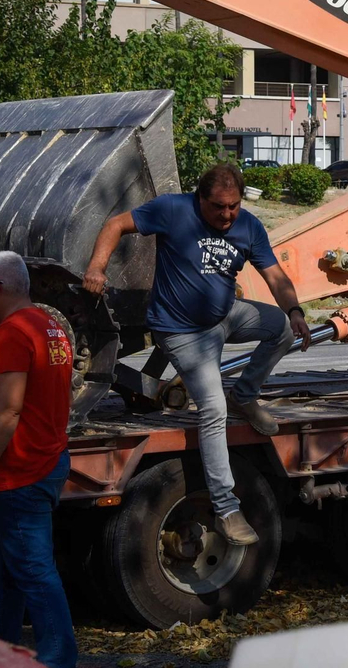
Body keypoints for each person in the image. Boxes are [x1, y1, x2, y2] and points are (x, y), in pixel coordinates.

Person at [83, 163, 309, 546]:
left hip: (225, 316)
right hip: (181, 332)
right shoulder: (172, 210)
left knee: (283, 329)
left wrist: (295, 311)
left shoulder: (248, 226)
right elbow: (115, 224)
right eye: (218, 207)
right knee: (212, 409)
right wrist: (96, 267)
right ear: (199, 198)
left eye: (233, 206)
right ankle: (226, 508)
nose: (226, 215)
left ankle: (245, 395)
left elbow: (274, 275)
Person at [0, 250, 79, 668]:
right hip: (45, 460)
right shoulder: (51, 326)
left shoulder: (12, 333)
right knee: (6, 576)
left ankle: (58, 667)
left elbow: (8, 410)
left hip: (18, 472)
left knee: (32, 573)